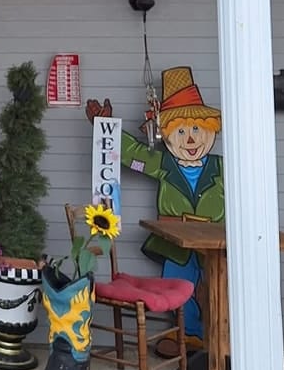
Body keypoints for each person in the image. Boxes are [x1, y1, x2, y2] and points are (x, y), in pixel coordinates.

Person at [87, 67, 223, 346]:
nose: (190, 139)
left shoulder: (221, 167)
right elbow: (131, 155)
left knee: (219, 287)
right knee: (179, 282)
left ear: (209, 129)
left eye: (196, 129)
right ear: (168, 135)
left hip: (215, 243)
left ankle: (220, 340)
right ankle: (189, 337)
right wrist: (105, 127)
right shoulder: (164, 164)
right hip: (177, 241)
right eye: (181, 130)